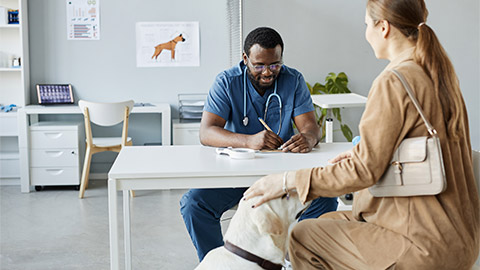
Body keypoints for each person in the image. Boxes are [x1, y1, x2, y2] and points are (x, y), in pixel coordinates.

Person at [243, 1, 480, 269]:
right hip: (460, 236)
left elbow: (363, 172)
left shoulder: (394, 81)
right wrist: (362, 152)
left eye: (367, 25)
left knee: (302, 236)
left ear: (384, 28)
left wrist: (288, 181)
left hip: (422, 244)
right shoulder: (439, 74)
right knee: (325, 224)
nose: (366, 33)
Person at [180, 27, 339, 261]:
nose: (268, 72)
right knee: (193, 205)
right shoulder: (227, 82)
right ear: (245, 59)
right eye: (259, 65)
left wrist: (308, 138)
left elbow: (310, 126)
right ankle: (219, 263)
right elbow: (206, 132)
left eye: (275, 65)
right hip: (234, 177)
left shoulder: (292, 80)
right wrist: (249, 141)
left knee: (325, 198)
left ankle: (296, 259)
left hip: (281, 178)